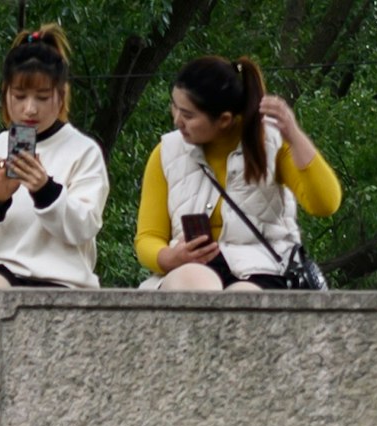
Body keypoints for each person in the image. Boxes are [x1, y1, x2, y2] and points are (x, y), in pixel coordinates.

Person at [134, 57, 337, 290]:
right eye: (175, 107)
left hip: (264, 270)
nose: (177, 120)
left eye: (188, 116)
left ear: (224, 120)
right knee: (192, 285)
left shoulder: (271, 143)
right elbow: (148, 237)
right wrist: (168, 258)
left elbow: (325, 204)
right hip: (191, 269)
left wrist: (294, 135)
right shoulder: (166, 152)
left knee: (244, 297)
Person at [0, 26, 109, 289]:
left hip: (65, 282)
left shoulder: (84, 151)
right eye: (20, 96)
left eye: (42, 97)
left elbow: (85, 225)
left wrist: (45, 190)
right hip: (2, 272)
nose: (30, 108)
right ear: (5, 95)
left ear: (61, 96)